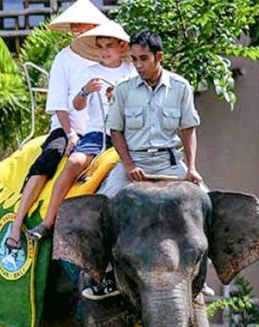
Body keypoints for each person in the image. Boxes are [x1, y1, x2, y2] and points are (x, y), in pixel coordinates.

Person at [83, 29, 204, 300]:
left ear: (159, 57)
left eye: (144, 59)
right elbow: (115, 131)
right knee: (101, 208)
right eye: (134, 59)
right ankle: (104, 275)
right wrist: (127, 166)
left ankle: (201, 272)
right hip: (135, 164)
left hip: (171, 164)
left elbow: (188, 129)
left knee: (208, 204)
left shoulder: (181, 87)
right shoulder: (124, 89)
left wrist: (192, 167)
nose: (138, 65)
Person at [4, 0, 108, 252]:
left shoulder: (110, 58)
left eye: (85, 24)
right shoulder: (64, 58)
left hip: (105, 128)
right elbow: (60, 103)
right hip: (70, 127)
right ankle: (17, 225)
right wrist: (70, 133)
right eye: (76, 25)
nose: (79, 29)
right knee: (51, 155)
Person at [27, 21, 136, 241]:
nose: (104, 51)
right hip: (98, 133)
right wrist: (85, 92)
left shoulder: (132, 72)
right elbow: (77, 105)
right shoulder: (90, 72)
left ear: (121, 46)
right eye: (100, 47)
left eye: (109, 46)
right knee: (75, 161)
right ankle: (48, 221)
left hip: (128, 135)